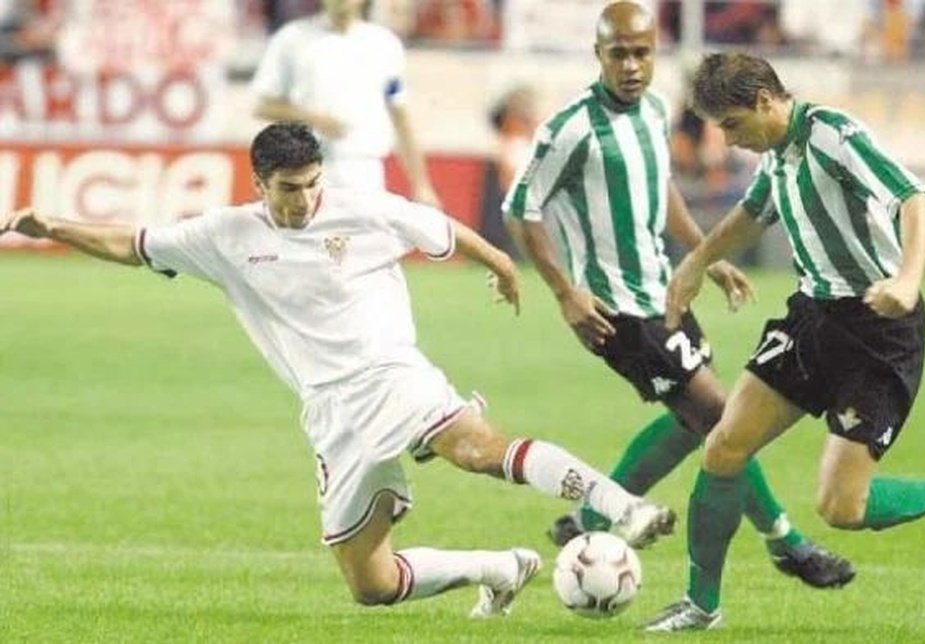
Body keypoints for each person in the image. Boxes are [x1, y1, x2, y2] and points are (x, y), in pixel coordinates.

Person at [1, 121, 676, 617]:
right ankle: (499, 569)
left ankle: (625, 508)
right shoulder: (223, 235)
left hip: (392, 375)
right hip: (330, 414)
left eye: (312, 185)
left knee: (477, 449)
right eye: (289, 189)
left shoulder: (363, 208)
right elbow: (132, 243)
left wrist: (500, 264)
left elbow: (439, 228)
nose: (303, 200)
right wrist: (52, 227)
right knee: (371, 585)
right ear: (259, 182)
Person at [502, 0, 854, 593]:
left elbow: (658, 188)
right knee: (721, 416)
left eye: (642, 52)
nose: (632, 65)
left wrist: (702, 258)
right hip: (619, 313)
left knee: (694, 423)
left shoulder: (655, 110)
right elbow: (519, 210)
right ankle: (787, 543)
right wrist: (566, 294)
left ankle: (592, 516)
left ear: (654, 53)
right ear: (599, 55)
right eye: (619, 54)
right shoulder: (570, 128)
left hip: (663, 295)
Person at [646, 52, 925, 632]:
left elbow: (915, 199)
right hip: (813, 318)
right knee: (723, 448)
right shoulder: (776, 153)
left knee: (841, 508)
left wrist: (908, 279)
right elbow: (753, 212)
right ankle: (701, 605)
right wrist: (697, 261)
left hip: (880, 331)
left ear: (764, 101)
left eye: (733, 125)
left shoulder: (834, 135)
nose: (730, 141)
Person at [251, 0, 440, 205]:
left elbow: (400, 116)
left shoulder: (384, 44)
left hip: (365, 172)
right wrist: (313, 118)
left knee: (364, 236)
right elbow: (262, 105)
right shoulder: (293, 38)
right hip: (305, 168)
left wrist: (422, 185)